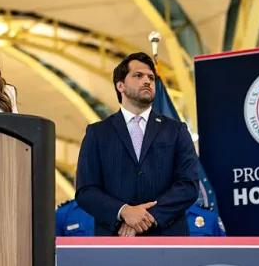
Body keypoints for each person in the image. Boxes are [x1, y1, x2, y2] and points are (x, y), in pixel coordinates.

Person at [75, 52, 198, 237]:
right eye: (138, 76)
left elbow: (188, 185)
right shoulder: (97, 133)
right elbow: (86, 190)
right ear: (120, 85)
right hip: (115, 241)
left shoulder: (176, 130)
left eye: (151, 77)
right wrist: (124, 211)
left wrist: (143, 218)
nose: (147, 81)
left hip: (168, 239)